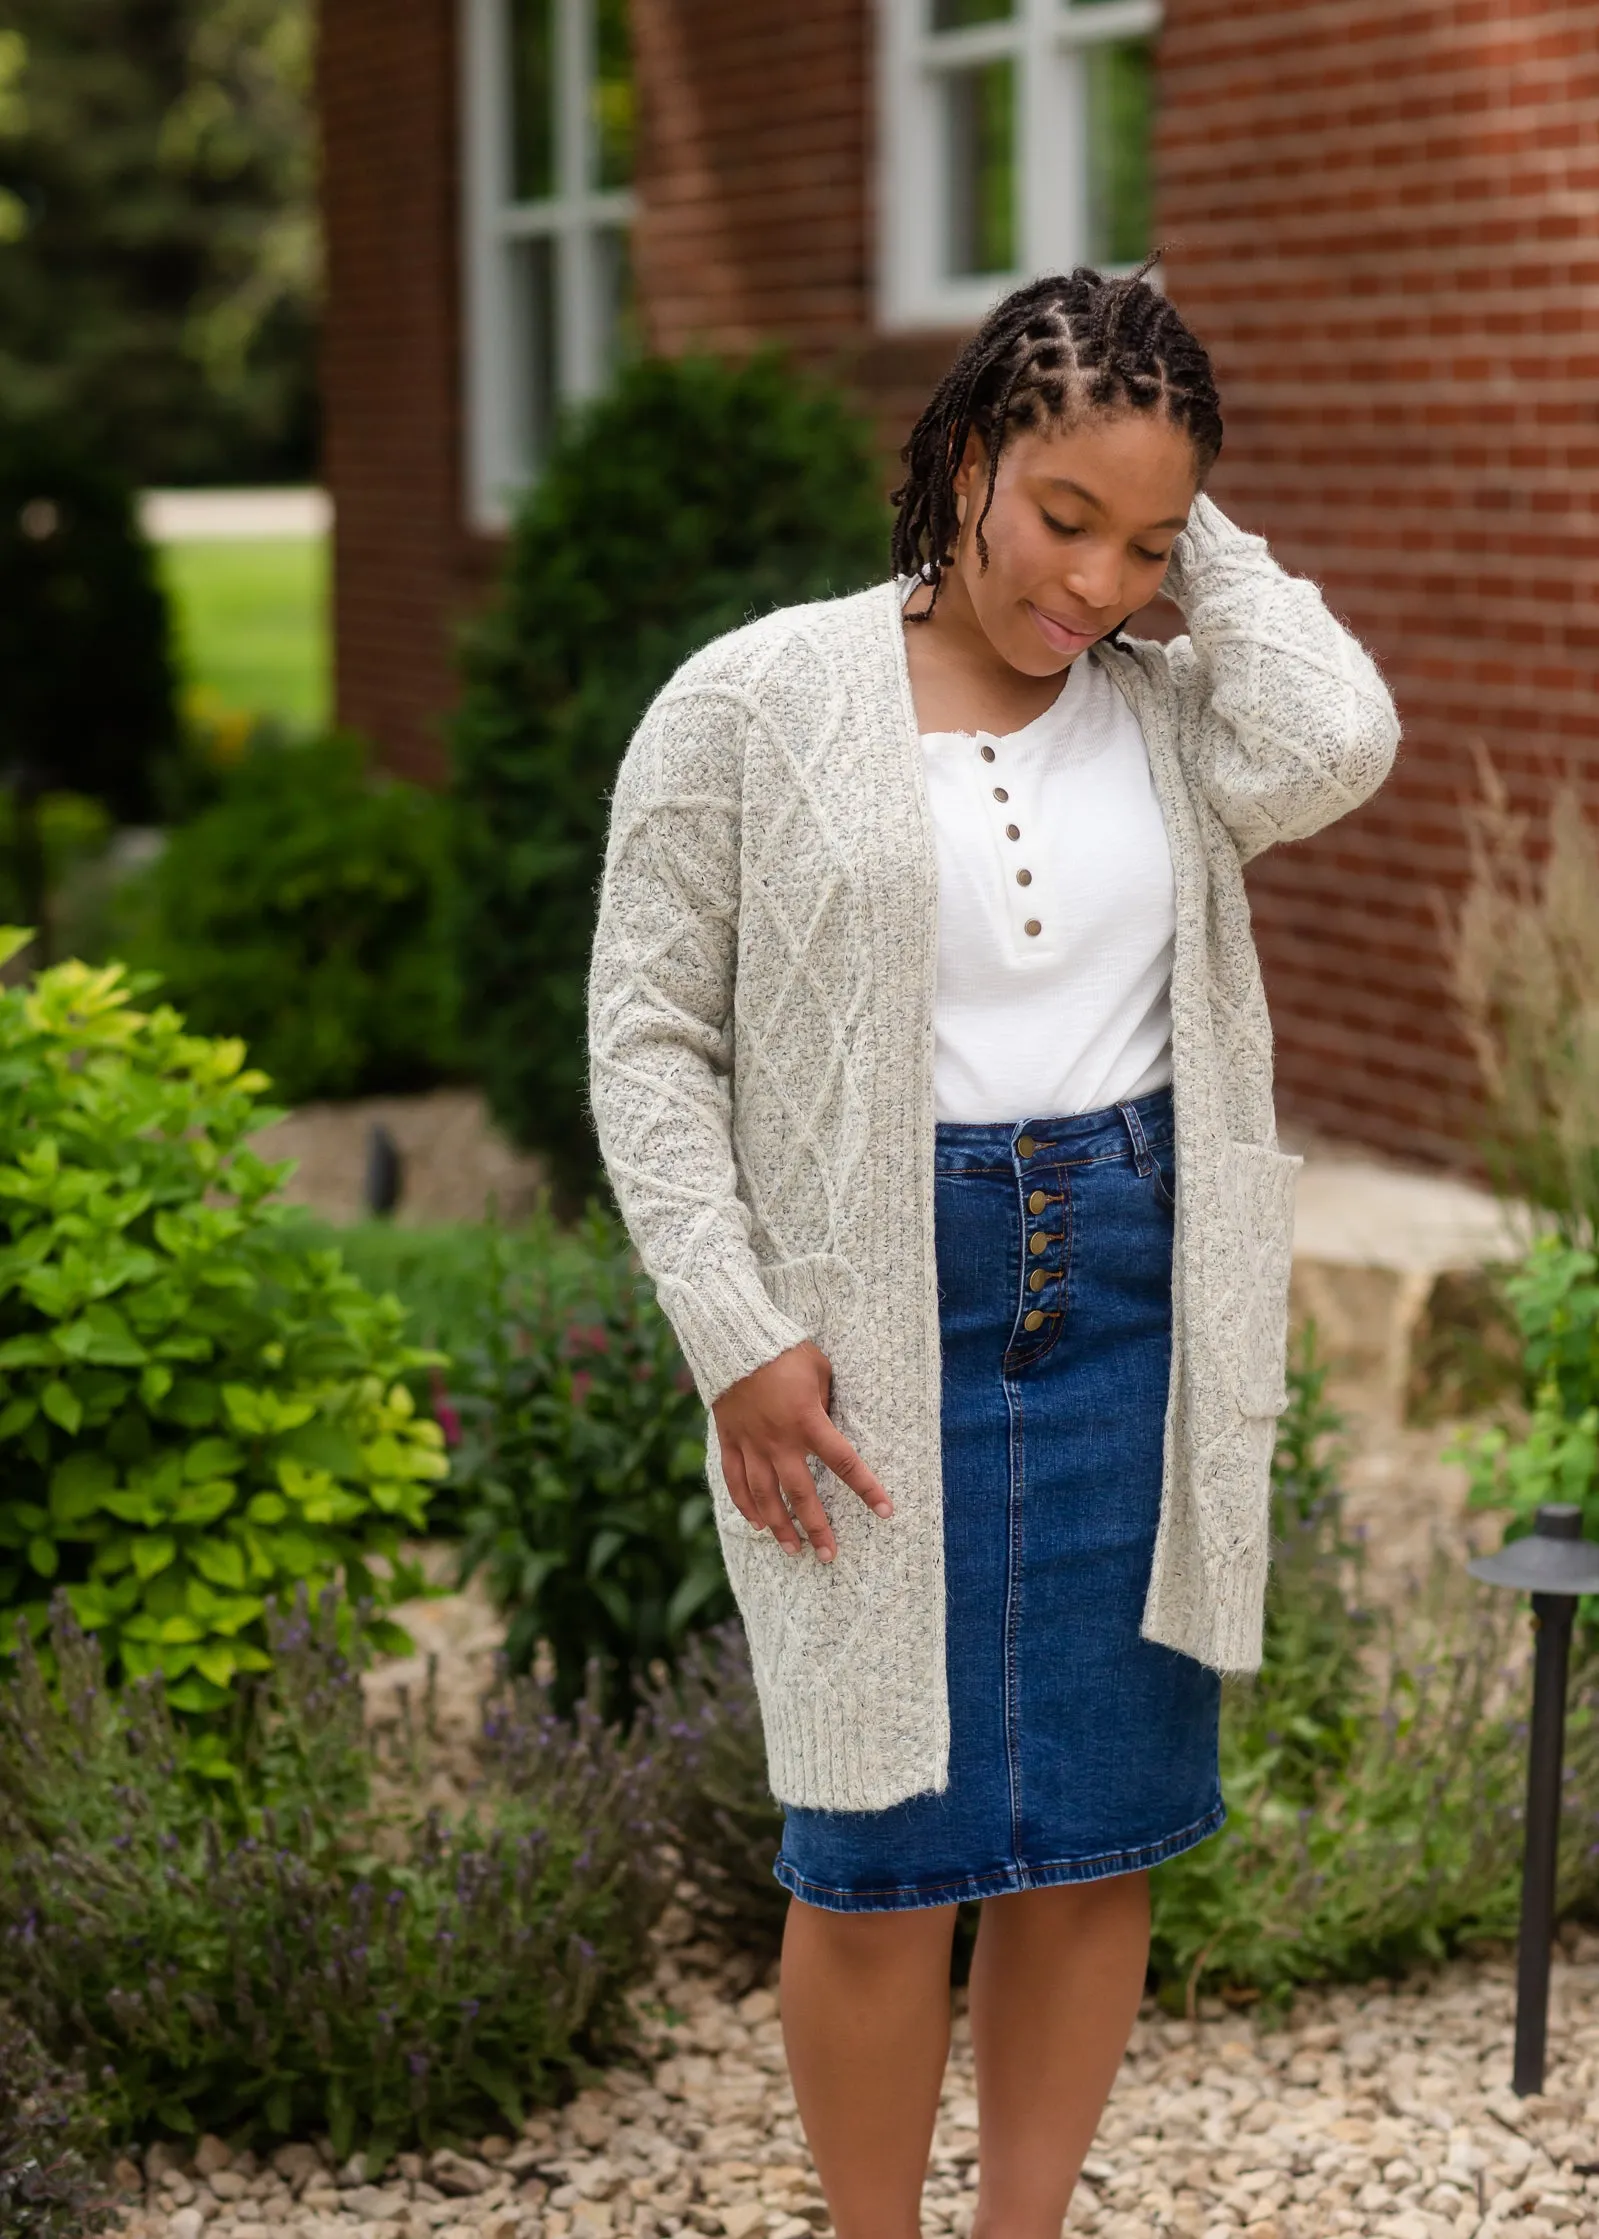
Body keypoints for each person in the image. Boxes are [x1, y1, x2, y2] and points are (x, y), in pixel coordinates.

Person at [588, 264, 1398, 2239]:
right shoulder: (753, 702)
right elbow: (646, 1040)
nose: (1097, 584)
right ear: (957, 456)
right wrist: (737, 1332)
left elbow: (1344, 736)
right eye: (1062, 517)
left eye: (1145, 544)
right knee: (873, 1844)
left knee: (1093, 1841)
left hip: (1136, 1295)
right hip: (869, 1328)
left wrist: (1187, 526)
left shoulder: (1176, 711)